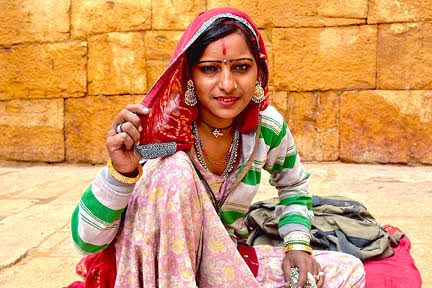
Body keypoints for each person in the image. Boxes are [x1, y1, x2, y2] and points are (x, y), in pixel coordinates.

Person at [71, 7, 365, 288]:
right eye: (210, 69)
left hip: (223, 262)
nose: (227, 84)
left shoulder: (267, 128)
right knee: (173, 168)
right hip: (159, 270)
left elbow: (293, 187)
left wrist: (297, 245)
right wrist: (120, 172)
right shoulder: (160, 133)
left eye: (241, 67)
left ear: (259, 72)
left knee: (346, 271)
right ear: (190, 76)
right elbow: (86, 240)